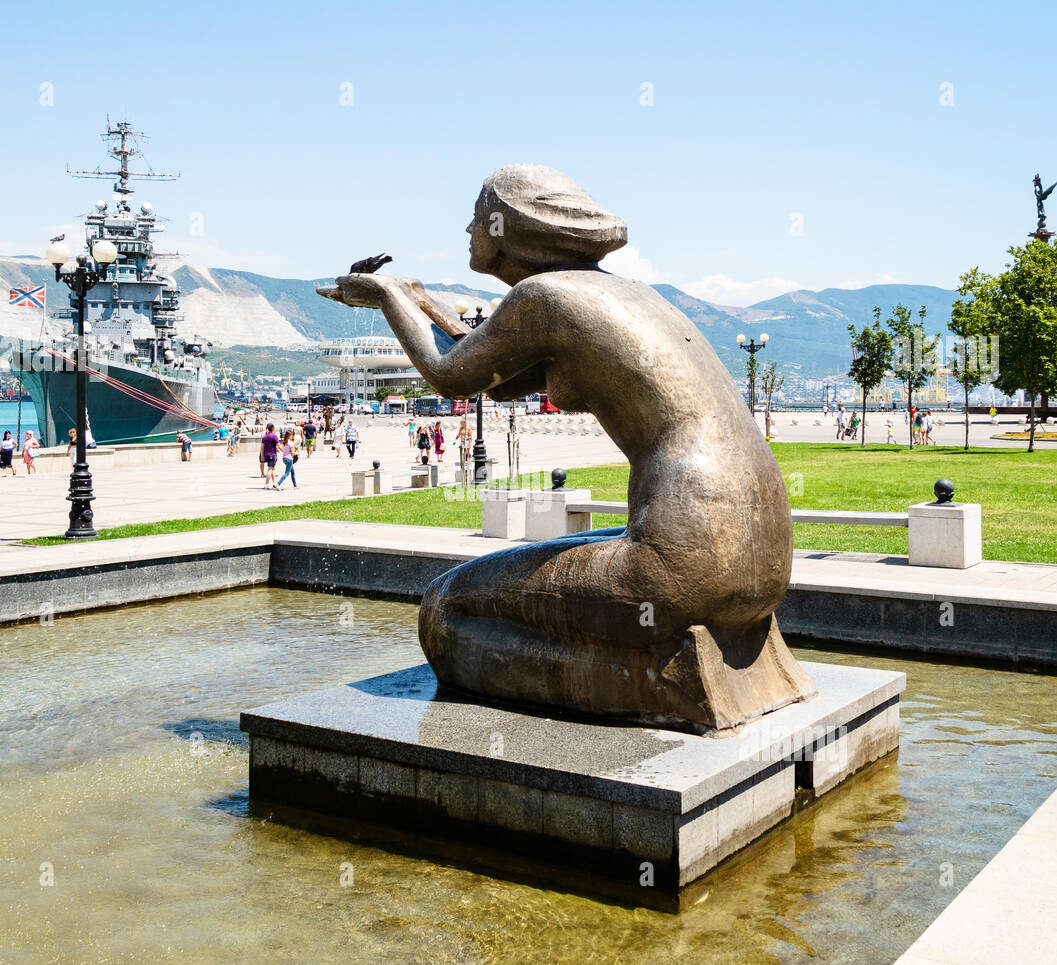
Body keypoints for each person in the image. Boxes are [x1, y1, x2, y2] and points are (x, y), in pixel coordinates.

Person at [317, 162, 813, 726]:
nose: (467, 230)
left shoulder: (544, 296)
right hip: (762, 559)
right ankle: (669, 669)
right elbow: (496, 376)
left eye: (477, 217)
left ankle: (652, 682)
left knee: (443, 610)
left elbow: (451, 376)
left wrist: (385, 296)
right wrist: (422, 303)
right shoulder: (624, 295)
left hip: (682, 558)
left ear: (506, 226)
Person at [259, 422, 279, 488]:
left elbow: (261, 447)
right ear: (273, 428)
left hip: (266, 454)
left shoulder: (264, 437)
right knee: (270, 469)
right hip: (272, 454)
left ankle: (274, 483)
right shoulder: (274, 436)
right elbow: (278, 445)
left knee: (272, 469)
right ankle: (266, 484)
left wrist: (262, 455)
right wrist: (284, 451)